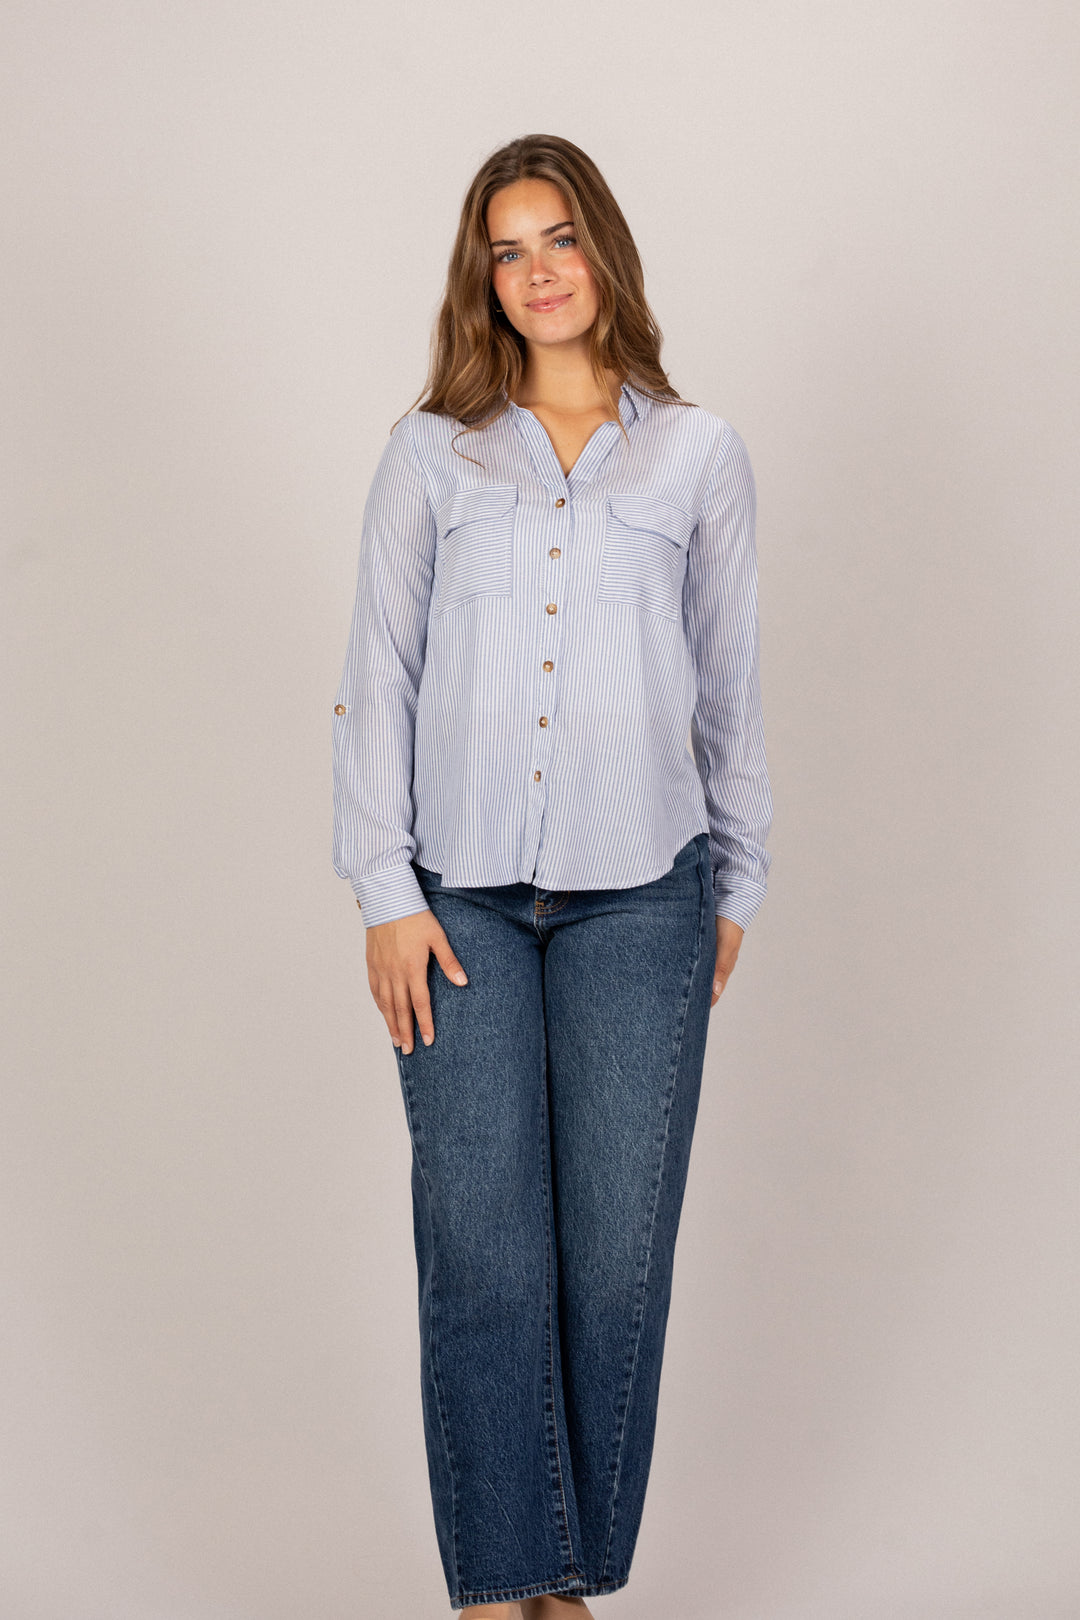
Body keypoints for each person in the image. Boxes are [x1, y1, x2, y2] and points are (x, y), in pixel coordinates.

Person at [331, 133, 772, 1618]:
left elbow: (729, 685)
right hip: (453, 900)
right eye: (511, 249)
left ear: (605, 253)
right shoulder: (431, 453)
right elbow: (377, 676)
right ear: (487, 279)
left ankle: (566, 1579)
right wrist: (383, 886)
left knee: (615, 1267)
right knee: (485, 1252)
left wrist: (736, 888)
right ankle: (500, 1588)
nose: (540, 271)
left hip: (646, 894)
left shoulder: (698, 455)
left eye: (561, 237)